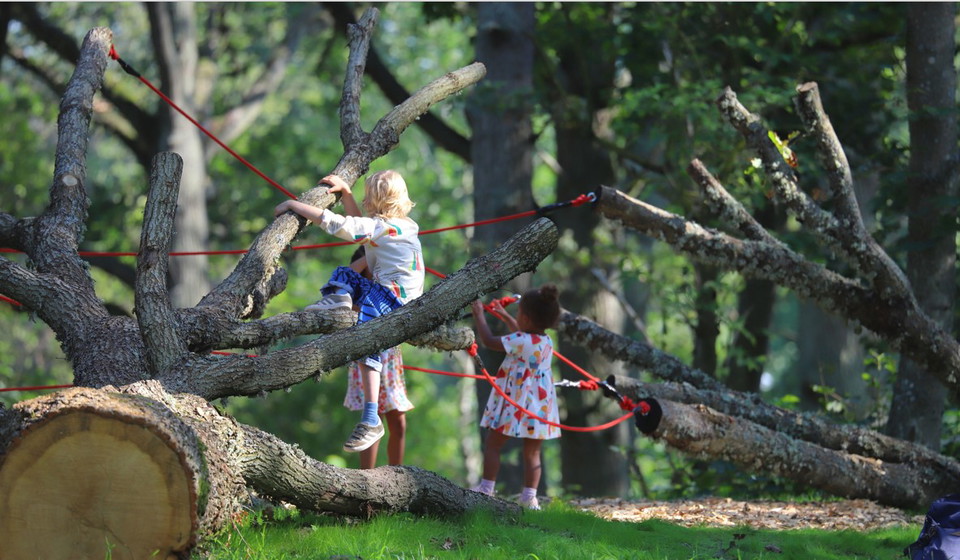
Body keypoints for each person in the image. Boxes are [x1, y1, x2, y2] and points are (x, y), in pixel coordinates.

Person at [274, 170, 424, 454]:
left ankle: (371, 417)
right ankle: (339, 302)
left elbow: (343, 226)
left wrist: (295, 206)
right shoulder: (405, 225)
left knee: (367, 344)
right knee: (346, 276)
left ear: (376, 200)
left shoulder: (383, 228)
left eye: (367, 196)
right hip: (404, 297)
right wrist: (347, 193)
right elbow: (362, 228)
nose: (364, 200)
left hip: (391, 296)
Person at [469, 284, 562, 510]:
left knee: (493, 444)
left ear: (528, 318)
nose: (517, 316)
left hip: (515, 401)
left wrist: (479, 316)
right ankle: (530, 497)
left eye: (519, 313)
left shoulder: (521, 341)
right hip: (538, 405)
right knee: (532, 453)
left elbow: (490, 341)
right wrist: (505, 315)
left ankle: (486, 488)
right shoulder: (546, 341)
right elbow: (521, 336)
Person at [342, 246, 413, 469]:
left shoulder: (386, 291)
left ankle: (396, 475)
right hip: (367, 362)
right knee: (374, 421)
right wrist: (368, 256)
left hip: (390, 363)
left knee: (398, 422)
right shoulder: (357, 295)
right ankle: (367, 477)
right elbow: (347, 275)